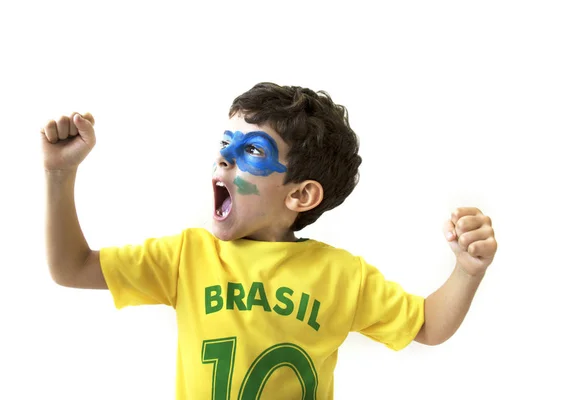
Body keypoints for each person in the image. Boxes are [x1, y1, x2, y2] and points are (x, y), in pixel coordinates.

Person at [42, 82, 497, 399]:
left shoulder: (340, 275)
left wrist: (467, 270)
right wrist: (59, 174)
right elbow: (71, 267)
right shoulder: (186, 257)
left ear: (301, 195)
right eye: (226, 143)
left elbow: (427, 325)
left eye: (252, 150)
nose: (225, 156)